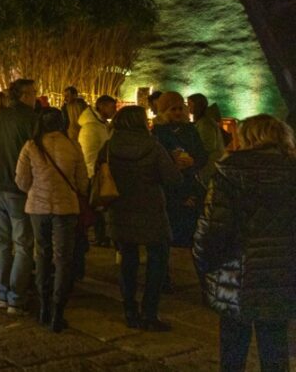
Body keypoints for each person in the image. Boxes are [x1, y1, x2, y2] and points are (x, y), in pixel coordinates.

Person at [194, 114, 296, 372]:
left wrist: (205, 265)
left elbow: (213, 230)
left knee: (233, 348)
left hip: (235, 273)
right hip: (281, 274)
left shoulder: (229, 172)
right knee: (275, 347)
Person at [102, 106, 182, 330]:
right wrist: (176, 165)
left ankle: (129, 310)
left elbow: (100, 174)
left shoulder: (109, 147)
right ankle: (149, 312)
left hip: (120, 209)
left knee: (127, 260)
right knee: (157, 258)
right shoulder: (153, 146)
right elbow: (172, 179)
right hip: (151, 211)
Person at [15, 108, 88, 332]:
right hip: (66, 208)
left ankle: (44, 307)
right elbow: (82, 183)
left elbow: (21, 181)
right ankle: (58, 311)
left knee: (43, 255)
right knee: (63, 259)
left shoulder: (31, 146)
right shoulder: (73, 146)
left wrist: (37, 189)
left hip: (38, 208)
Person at [0, 78, 37, 315]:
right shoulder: (30, 120)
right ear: (23, 95)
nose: (35, 97)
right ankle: (16, 297)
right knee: (23, 243)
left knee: (2, 242)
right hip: (17, 187)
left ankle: (2, 294)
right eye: (33, 93)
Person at [151, 92, 208, 248]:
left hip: (190, 182)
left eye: (179, 108)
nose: (177, 112)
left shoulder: (190, 130)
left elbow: (202, 155)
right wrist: (171, 163)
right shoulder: (158, 132)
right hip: (170, 189)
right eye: (172, 109)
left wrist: (193, 161)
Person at [76, 97, 113, 247]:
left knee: (99, 207)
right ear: (101, 106)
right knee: (94, 207)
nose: (114, 110)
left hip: (99, 170)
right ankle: (98, 236)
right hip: (93, 172)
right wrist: (92, 172)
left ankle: (101, 236)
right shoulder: (91, 127)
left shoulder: (101, 125)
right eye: (111, 106)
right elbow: (88, 154)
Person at [187, 93, 226, 183]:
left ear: (197, 105)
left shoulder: (205, 123)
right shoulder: (204, 121)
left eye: (190, 104)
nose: (188, 107)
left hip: (210, 163)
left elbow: (208, 145)